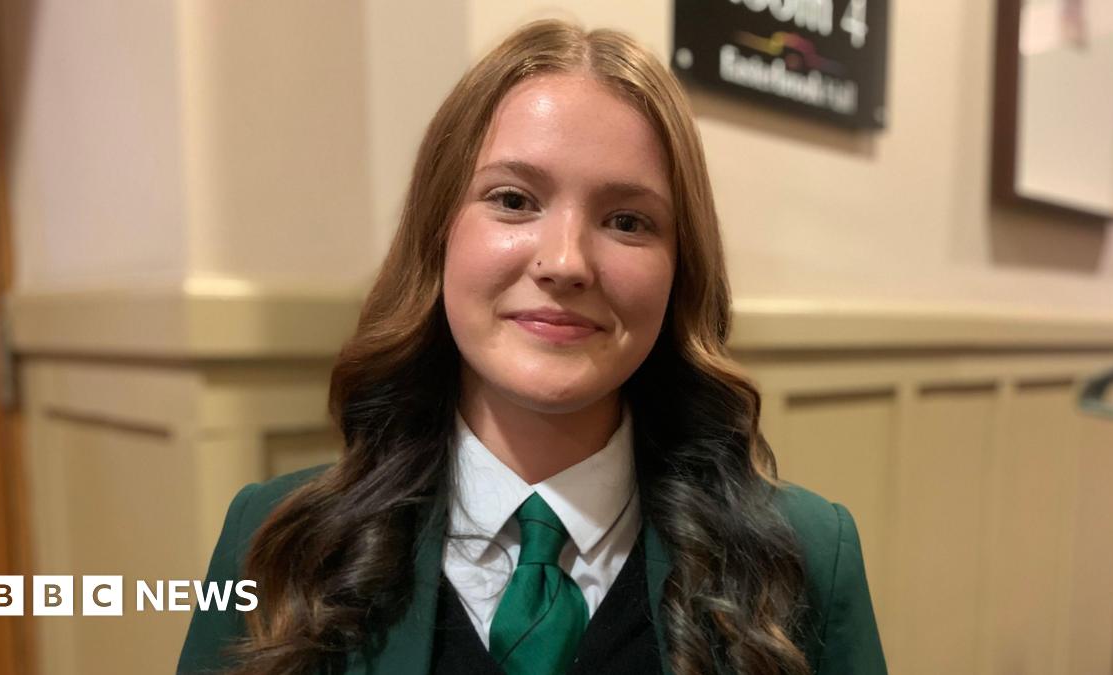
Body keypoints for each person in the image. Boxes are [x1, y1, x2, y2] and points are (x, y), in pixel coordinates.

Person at [177, 18, 886, 675]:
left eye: (628, 220)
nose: (566, 261)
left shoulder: (807, 559)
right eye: (514, 200)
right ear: (439, 233)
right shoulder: (273, 539)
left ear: (681, 268)